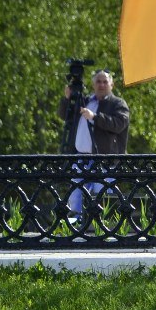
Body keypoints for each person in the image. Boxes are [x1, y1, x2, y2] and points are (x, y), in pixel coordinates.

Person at [58, 68, 129, 218]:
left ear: (112, 84)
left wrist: (95, 117)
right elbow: (65, 116)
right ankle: (76, 229)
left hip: (105, 159)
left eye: (105, 81)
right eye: (98, 81)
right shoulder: (86, 101)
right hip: (81, 158)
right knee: (75, 196)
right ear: (93, 84)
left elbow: (119, 124)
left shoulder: (117, 103)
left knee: (103, 198)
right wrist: (67, 99)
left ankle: (103, 230)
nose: (101, 85)